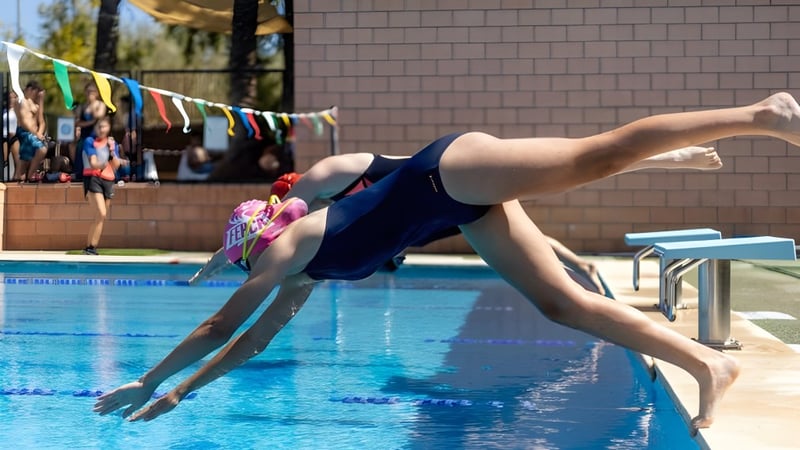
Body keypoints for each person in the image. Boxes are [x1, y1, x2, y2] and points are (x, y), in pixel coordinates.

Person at [95, 91, 800, 432]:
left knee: (596, 156)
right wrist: (182, 394)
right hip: (454, 211)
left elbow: (221, 326)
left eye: (242, 259)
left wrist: (151, 376)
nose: (250, 271)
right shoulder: (300, 279)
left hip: (448, 173)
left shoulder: (292, 244)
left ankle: (761, 114)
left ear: (259, 242)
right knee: (561, 303)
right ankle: (706, 364)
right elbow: (248, 343)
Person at [188, 146, 722, 289]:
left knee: (572, 166)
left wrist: (221, 260)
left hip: (449, 182)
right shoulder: (326, 222)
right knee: (541, 260)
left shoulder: (327, 177)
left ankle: (669, 156)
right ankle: (578, 267)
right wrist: (217, 262)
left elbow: (267, 228)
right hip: (432, 216)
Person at [82, 116, 125, 255]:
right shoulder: (90, 141)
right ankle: (90, 247)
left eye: (104, 126)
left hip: (108, 180)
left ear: (109, 128)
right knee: (101, 212)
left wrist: (112, 151)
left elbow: (116, 166)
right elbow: (93, 162)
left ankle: (90, 247)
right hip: (93, 178)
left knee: (100, 217)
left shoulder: (112, 143)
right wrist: (104, 163)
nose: (101, 129)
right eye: (99, 127)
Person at [12, 81, 48, 182]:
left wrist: (40, 133)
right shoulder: (22, 101)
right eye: (35, 92)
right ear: (29, 90)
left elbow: (42, 122)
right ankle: (30, 175)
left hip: (34, 135)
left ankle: (25, 175)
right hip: (24, 132)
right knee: (42, 149)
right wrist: (36, 134)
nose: (36, 95)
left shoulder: (36, 104)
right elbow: (23, 121)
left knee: (26, 159)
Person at [73, 82, 108, 181]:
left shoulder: (100, 105)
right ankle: (80, 173)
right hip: (85, 135)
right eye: (88, 91)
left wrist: (92, 105)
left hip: (97, 135)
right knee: (80, 147)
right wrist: (90, 122)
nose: (89, 94)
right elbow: (77, 122)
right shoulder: (82, 106)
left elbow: (98, 116)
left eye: (92, 91)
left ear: (96, 93)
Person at [2, 90, 20, 180]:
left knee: (17, 161)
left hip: (14, 137)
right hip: (4, 137)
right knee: (4, 161)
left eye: (13, 97)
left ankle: (16, 179)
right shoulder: (3, 110)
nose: (11, 99)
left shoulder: (18, 111)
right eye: (10, 98)